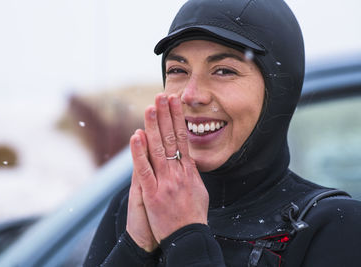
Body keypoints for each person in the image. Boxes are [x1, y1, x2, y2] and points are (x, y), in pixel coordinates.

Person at [84, 0, 361, 266]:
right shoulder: (134, 206)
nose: (192, 95)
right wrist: (134, 249)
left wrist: (186, 236)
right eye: (178, 69)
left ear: (278, 92)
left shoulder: (333, 226)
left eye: (224, 71)